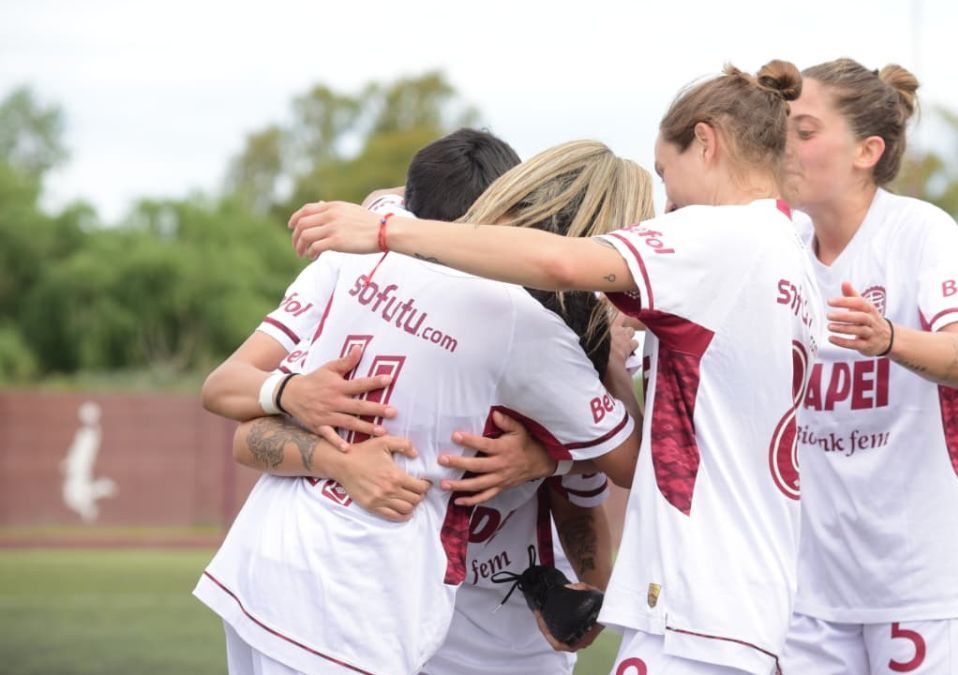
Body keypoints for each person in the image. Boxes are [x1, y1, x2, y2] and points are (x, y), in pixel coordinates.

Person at [288, 60, 823, 675]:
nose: (666, 202)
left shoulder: (724, 234)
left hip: (703, 601)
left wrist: (388, 230)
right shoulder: (785, 250)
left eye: (665, 173)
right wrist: (588, 407)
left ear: (706, 141)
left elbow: (565, 265)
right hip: (734, 592)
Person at [195, 138, 652, 675]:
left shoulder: (361, 251)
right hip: (361, 600)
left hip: (269, 571)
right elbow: (634, 463)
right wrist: (607, 386)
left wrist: (551, 460)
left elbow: (386, 198)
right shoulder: (529, 328)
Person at [770, 58, 958, 675]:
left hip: (929, 580)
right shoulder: (780, 250)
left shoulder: (923, 232)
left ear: (867, 151)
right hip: (810, 589)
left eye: (804, 130)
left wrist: (888, 339)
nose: (785, 146)